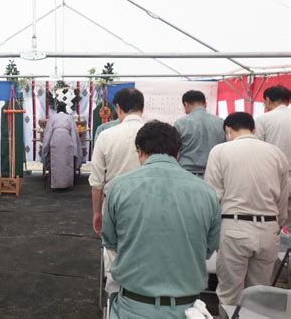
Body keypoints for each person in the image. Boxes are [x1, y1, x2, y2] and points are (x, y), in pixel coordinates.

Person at [102, 121, 221, 319]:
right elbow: (208, 248)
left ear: (139, 151)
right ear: (178, 153)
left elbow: (111, 241)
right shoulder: (207, 192)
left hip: (132, 306)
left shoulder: (118, 187)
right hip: (187, 309)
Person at [205, 112, 288, 313]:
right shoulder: (276, 153)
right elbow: (284, 197)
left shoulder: (220, 151)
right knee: (259, 295)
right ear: (254, 129)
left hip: (234, 227)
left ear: (228, 130)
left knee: (229, 293)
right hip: (269, 228)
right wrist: (278, 224)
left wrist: (211, 233)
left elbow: (212, 196)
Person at [89, 87, 145, 293]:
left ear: (118, 108)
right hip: (152, 203)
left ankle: (115, 299)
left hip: (115, 203)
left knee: (113, 253)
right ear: (142, 107)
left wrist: (96, 212)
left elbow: (96, 181)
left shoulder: (106, 135)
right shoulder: (157, 132)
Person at [255, 85, 291, 227]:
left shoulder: (263, 119)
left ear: (268, 100)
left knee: (275, 219)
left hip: (273, 176)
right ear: (287, 102)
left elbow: (257, 150)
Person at [174, 90, 225, 177]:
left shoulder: (180, 123)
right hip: (214, 174)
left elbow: (175, 152)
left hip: (187, 174)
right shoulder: (221, 122)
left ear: (186, 105)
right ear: (205, 104)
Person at [42, 102, 82, 189]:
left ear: (57, 109)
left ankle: (55, 183)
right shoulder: (69, 118)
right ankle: (66, 183)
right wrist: (75, 148)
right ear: (65, 109)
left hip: (55, 140)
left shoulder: (52, 118)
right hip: (67, 141)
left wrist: (45, 147)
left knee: (56, 161)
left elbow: (48, 133)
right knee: (67, 162)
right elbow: (74, 134)